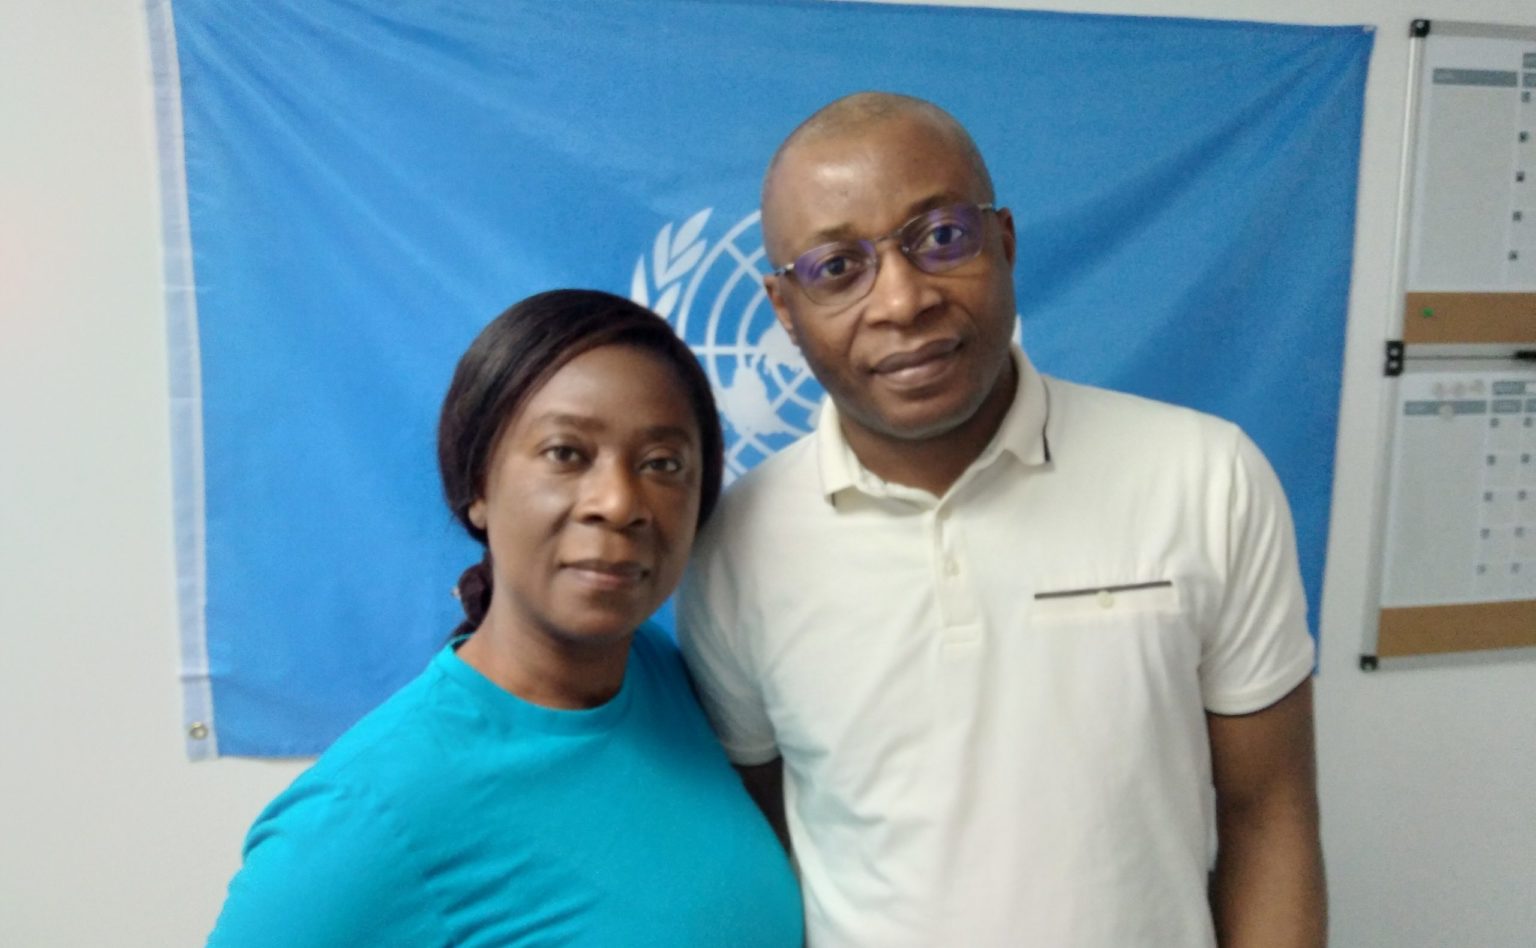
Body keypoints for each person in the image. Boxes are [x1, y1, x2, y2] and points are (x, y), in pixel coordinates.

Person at [679, 93, 1326, 947]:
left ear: (1006, 241)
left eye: (941, 236)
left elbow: (1269, 814)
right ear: (784, 310)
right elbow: (768, 846)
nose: (902, 299)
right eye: (837, 267)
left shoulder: (1207, 478)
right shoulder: (734, 545)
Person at [208, 290, 803, 946]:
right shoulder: (366, 814)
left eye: (662, 464)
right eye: (566, 453)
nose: (618, 502)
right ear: (478, 488)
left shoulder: (662, 676)